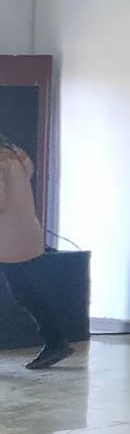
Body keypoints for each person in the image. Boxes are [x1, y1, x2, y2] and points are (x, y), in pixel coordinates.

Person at [0, 130, 69, 370]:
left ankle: (56, 341)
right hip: (23, 233)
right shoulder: (17, 155)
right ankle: (56, 341)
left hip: (5, 237)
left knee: (23, 291)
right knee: (24, 291)